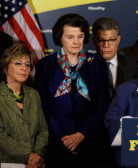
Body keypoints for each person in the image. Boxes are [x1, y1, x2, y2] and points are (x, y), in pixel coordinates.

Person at [34, 13, 110, 167]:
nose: (76, 42)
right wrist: (63, 137)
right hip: (57, 143)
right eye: (70, 37)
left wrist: (82, 134)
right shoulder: (45, 65)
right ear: (59, 37)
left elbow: (103, 105)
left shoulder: (98, 64)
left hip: (90, 143)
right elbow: (42, 105)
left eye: (80, 36)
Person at [0, 43, 48, 168]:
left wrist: (37, 157)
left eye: (27, 64)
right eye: (18, 63)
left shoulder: (33, 95)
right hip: (4, 163)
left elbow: (43, 131)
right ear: (6, 68)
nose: (24, 68)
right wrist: (28, 156)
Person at [92, 17, 138, 99]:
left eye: (111, 40)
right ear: (94, 41)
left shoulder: (133, 66)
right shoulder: (84, 67)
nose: (106, 45)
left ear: (118, 40)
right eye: (101, 40)